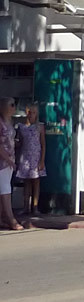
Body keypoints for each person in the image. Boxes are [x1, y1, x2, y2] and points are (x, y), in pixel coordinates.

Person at [15, 103, 46, 216]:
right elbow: (19, 142)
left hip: (36, 157)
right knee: (26, 182)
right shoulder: (21, 127)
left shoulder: (40, 127)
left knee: (36, 182)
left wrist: (42, 160)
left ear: (36, 114)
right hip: (25, 158)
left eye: (33, 112)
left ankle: (35, 207)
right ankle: (25, 207)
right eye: (29, 112)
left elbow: (43, 144)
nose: (30, 115)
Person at [0, 98, 24, 230]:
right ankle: (11, 219)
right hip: (3, 162)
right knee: (5, 190)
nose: (14, 107)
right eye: (12, 105)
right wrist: (8, 160)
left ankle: (2, 217)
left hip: (10, 160)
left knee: (4, 188)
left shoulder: (10, 122)